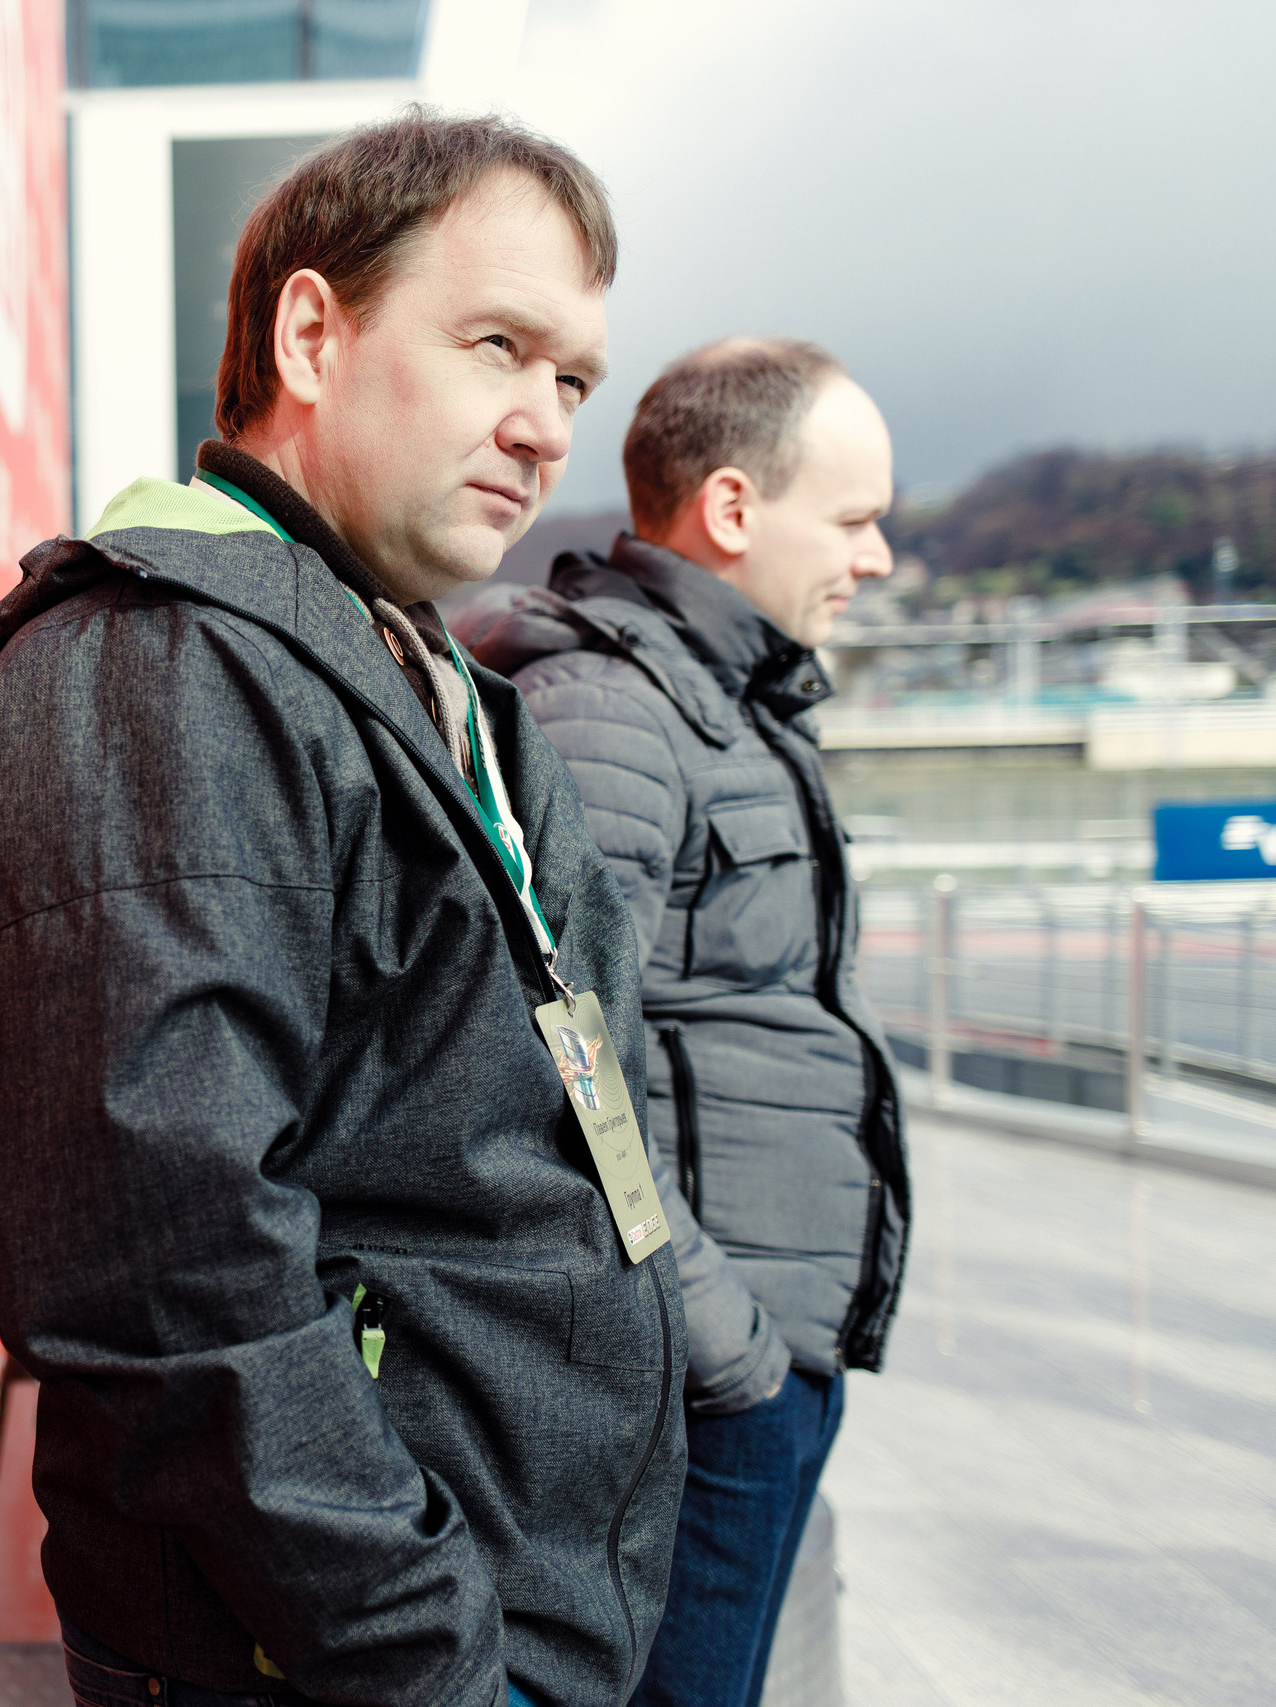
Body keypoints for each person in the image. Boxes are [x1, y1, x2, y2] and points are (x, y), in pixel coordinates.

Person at [0, 112, 686, 1707]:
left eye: (574, 381)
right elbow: (170, 1271)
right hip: (358, 1657)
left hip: (507, 1605)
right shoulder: (156, 661)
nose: (545, 427)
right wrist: (428, 1655)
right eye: (498, 346)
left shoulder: (430, 675)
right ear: (311, 337)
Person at [464, 339, 912, 1707]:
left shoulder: (720, 699)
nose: (879, 557)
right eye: (853, 519)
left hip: (753, 1368)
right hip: (705, 1385)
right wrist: (729, 1353)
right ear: (731, 508)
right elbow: (551, 1052)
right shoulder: (612, 708)